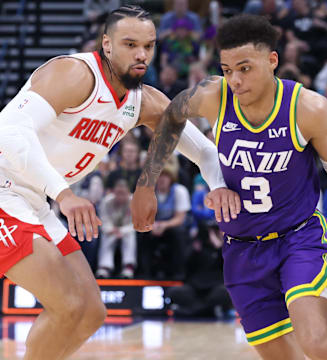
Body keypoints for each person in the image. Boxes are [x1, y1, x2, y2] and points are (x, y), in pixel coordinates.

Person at [0, 5, 238, 359]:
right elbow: (9, 131)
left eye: (148, 45)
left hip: (36, 201)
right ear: (107, 44)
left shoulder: (144, 102)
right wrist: (64, 194)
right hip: (6, 192)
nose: (141, 55)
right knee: (67, 305)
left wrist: (217, 186)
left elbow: (204, 151)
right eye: (130, 44)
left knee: (92, 313)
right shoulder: (75, 74)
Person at [132, 13, 327, 360]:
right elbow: (171, 115)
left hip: (297, 238)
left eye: (244, 68)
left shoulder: (307, 108)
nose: (235, 80)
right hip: (240, 248)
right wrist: (147, 184)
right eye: (226, 70)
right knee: (280, 356)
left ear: (272, 61)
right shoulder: (214, 96)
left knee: (319, 343)